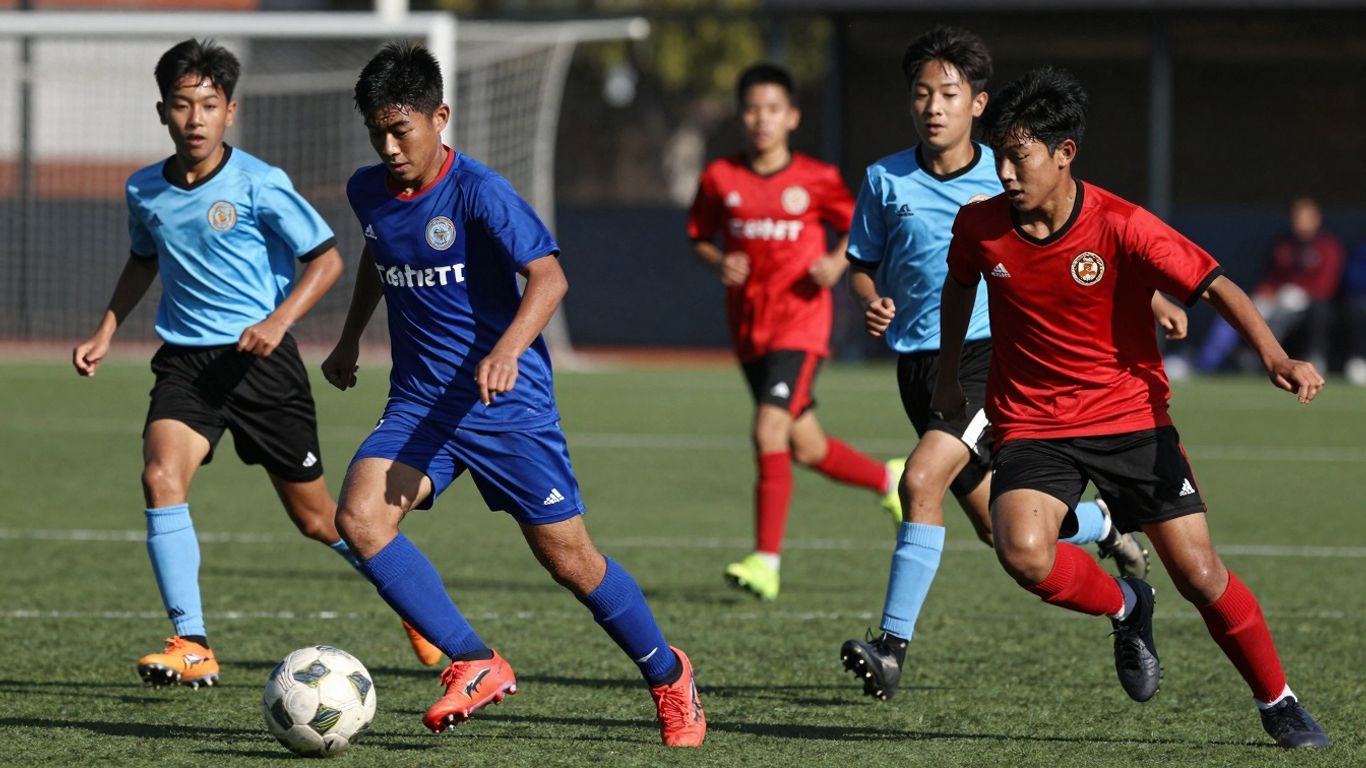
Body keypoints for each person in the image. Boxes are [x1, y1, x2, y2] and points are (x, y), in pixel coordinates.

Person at [320, 43, 704, 747]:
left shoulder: (480, 191)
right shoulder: (366, 189)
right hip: (420, 403)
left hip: (506, 407)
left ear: (441, 117)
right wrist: (350, 339)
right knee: (360, 516)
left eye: (400, 129)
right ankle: (474, 660)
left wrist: (504, 351)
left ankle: (668, 675)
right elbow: (380, 256)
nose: (388, 145)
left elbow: (550, 278)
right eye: (377, 131)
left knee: (570, 561)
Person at [933, 65, 1328, 749]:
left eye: (1017, 156)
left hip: (1132, 422)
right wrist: (946, 375)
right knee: (1022, 550)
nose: (1002, 172)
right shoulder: (980, 227)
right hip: (1032, 424)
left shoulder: (1121, 224)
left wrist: (1275, 358)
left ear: (1064, 154)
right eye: (997, 155)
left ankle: (1278, 699)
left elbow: (1217, 287)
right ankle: (1126, 603)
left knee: (1201, 575)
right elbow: (959, 287)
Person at [71, 39, 441, 690]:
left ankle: (414, 605)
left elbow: (325, 259)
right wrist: (105, 328)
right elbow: (142, 258)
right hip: (186, 364)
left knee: (318, 519)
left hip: (261, 368)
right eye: (183, 105)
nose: (195, 118)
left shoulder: (259, 183)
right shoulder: (144, 190)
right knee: (160, 476)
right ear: (162, 111)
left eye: (208, 105)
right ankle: (193, 642)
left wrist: (278, 321)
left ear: (230, 112)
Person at [838, 26, 1174, 702]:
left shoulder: (1012, 171)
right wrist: (872, 300)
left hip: (993, 360)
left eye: (949, 94)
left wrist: (1155, 295)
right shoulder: (883, 179)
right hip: (918, 368)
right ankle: (1116, 573)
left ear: (979, 104)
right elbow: (860, 266)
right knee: (1002, 533)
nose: (933, 106)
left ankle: (892, 648)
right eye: (922, 94)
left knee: (921, 481)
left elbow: (1087, 231)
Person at [687, 63, 900, 602]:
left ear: (793, 117)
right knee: (806, 445)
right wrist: (718, 261)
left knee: (767, 431)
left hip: (802, 324)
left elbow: (858, 223)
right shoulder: (720, 178)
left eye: (773, 109)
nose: (762, 119)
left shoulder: (816, 178)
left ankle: (766, 560)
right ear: (742, 116)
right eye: (753, 109)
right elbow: (699, 236)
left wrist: (835, 259)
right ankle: (888, 481)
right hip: (749, 327)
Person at [1191, 197, 1343, 374]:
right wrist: (1268, 292)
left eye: (1305, 217)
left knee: (1287, 311)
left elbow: (1326, 285)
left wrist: (1299, 291)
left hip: (1304, 303)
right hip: (1276, 297)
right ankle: (1205, 363)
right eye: (1296, 217)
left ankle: (1266, 360)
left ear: (1316, 219)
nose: (1299, 222)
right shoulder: (1283, 244)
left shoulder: (1327, 246)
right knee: (1235, 307)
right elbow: (1270, 278)